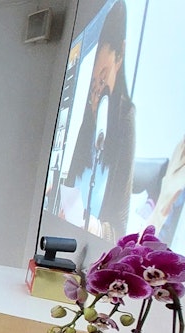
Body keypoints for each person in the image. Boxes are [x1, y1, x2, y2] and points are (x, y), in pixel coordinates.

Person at [60, 0, 134, 241]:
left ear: (120, 56)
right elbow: (70, 188)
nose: (97, 93)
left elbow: (119, 230)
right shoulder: (88, 121)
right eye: (94, 83)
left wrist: (91, 226)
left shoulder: (125, 121)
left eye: (102, 80)